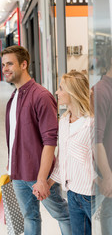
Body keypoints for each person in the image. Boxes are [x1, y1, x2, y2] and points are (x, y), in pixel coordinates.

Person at [1, 45, 71, 235]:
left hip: (39, 174)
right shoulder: (14, 96)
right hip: (18, 173)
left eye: (9, 64)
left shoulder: (41, 96)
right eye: (3, 64)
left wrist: (41, 180)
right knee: (29, 218)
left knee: (63, 214)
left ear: (24, 64)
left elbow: (50, 141)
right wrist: (11, 168)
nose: (5, 68)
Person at [33, 71, 96, 235]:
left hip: (94, 196)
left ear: (73, 92)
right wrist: (47, 184)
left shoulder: (93, 123)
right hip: (72, 194)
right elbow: (62, 161)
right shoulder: (63, 122)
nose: (56, 92)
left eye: (61, 88)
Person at [93, 47, 112, 234]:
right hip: (106, 170)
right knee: (106, 213)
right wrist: (107, 176)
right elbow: (95, 140)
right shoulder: (101, 91)